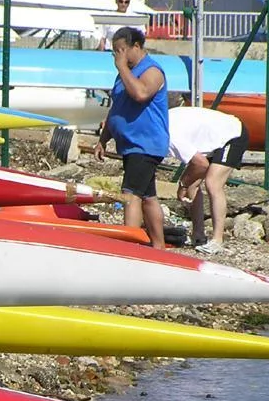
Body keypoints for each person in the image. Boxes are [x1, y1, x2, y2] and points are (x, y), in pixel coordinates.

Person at [94, 26, 168, 249]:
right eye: (115, 52)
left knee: (130, 194)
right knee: (147, 196)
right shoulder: (124, 73)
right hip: (130, 145)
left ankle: (129, 247)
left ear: (136, 46)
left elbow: (140, 93)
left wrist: (122, 68)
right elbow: (117, 107)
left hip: (145, 144)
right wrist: (104, 138)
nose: (118, 56)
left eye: (122, 50)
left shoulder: (152, 71)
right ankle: (159, 247)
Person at [168, 100, 250, 254]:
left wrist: (183, 184)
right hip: (211, 140)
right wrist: (186, 184)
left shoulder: (171, 136)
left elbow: (201, 164)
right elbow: (198, 163)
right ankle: (198, 235)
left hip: (232, 134)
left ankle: (217, 240)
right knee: (193, 185)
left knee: (213, 184)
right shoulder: (163, 122)